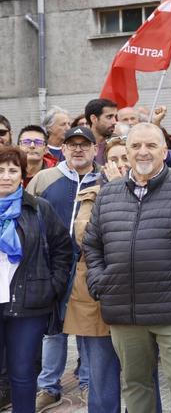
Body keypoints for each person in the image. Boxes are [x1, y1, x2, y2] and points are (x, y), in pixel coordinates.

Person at [83, 123, 171, 413]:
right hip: (124, 310)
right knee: (135, 383)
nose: (143, 152)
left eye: (151, 146)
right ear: (126, 152)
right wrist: (100, 282)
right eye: (136, 146)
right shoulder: (108, 193)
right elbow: (92, 245)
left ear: (165, 151)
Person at [27, 126, 101, 410]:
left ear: (95, 149)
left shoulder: (105, 180)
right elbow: (27, 215)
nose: (78, 149)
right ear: (64, 148)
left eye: (84, 144)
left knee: (87, 328)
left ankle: (88, 383)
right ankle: (48, 387)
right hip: (50, 266)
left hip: (87, 265)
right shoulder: (45, 178)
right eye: (72, 144)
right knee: (53, 329)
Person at [0, 145, 74, 413]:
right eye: (0, 170)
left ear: (22, 175)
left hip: (29, 305)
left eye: (12, 170)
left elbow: (63, 249)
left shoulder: (38, 208)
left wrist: (51, 287)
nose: (6, 176)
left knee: (22, 372)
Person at [63, 137, 132, 413]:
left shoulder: (154, 193)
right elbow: (85, 237)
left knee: (140, 372)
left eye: (125, 158)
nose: (121, 164)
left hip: (139, 295)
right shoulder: (91, 194)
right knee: (101, 373)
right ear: (104, 164)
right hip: (97, 295)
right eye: (114, 159)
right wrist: (115, 190)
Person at [83, 98, 117, 166]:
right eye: (109, 117)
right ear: (93, 119)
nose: (114, 122)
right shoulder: (78, 146)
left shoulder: (119, 143)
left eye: (115, 117)